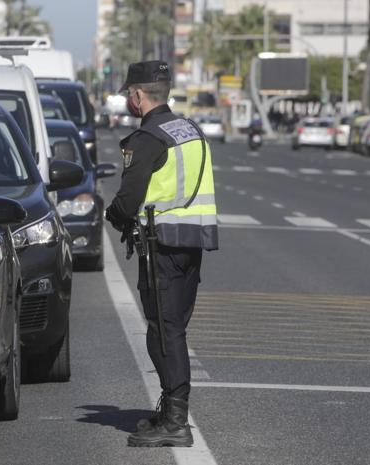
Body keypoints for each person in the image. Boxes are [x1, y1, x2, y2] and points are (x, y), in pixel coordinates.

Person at [104, 60, 219, 448]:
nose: (128, 102)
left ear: (138, 95)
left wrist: (115, 217)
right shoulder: (190, 129)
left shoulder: (149, 138)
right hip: (192, 241)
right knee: (173, 328)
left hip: (162, 243)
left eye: (128, 95)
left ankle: (175, 422)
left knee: (164, 333)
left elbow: (129, 197)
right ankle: (171, 410)